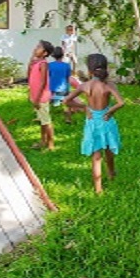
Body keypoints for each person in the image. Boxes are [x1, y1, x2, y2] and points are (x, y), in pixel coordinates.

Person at [64, 53, 124, 194]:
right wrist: (110, 112)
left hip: (92, 122)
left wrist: (84, 107)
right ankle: (111, 173)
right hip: (106, 121)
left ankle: (98, 189)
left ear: (89, 70)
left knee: (96, 156)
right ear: (105, 67)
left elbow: (66, 101)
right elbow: (121, 102)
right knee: (109, 149)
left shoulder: (85, 85)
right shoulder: (109, 85)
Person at [28, 40, 54, 150]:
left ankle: (51, 145)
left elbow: (43, 82)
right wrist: (31, 61)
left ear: (45, 53)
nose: (35, 48)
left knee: (46, 121)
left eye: (39, 47)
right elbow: (29, 76)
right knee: (42, 120)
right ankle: (43, 141)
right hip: (36, 96)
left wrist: (37, 99)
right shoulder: (36, 63)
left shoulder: (43, 64)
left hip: (41, 97)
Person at [48, 46, 73, 124]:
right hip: (64, 88)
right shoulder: (66, 65)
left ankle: (46, 119)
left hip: (52, 88)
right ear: (62, 55)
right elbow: (68, 78)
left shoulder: (49, 65)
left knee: (48, 104)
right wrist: (69, 88)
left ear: (53, 56)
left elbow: (48, 77)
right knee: (67, 105)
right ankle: (68, 119)